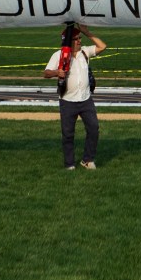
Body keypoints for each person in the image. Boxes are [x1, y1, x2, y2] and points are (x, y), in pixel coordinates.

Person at [45, 22, 106, 170]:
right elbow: (46, 73)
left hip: (86, 100)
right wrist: (56, 73)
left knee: (93, 129)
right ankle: (69, 164)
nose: (80, 41)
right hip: (67, 101)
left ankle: (87, 159)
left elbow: (102, 46)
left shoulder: (85, 52)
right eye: (77, 38)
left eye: (80, 38)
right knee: (67, 134)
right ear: (67, 41)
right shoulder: (58, 55)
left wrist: (87, 32)